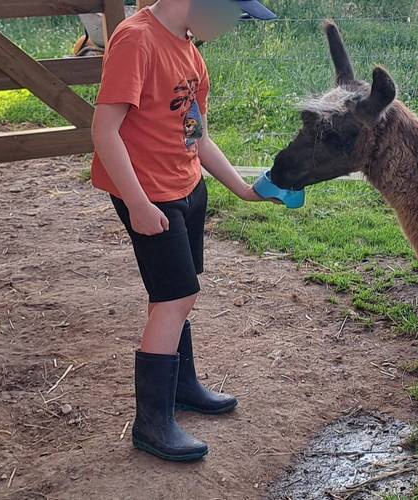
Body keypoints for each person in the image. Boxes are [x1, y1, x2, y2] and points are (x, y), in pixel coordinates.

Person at [90, 0, 277, 461]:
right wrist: (136, 202)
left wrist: (242, 190)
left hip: (187, 188)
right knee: (174, 298)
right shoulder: (137, 40)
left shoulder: (191, 51)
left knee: (179, 293)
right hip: (149, 193)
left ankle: (182, 385)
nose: (233, 25)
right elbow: (105, 130)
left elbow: (198, 136)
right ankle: (151, 423)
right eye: (232, 12)